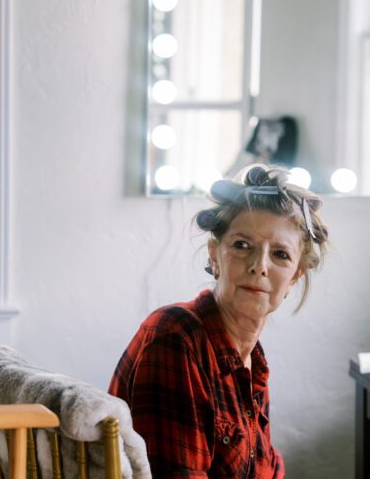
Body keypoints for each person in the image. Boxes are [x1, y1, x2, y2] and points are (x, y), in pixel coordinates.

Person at [109, 165, 330, 478]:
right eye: (242, 245)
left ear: (295, 276)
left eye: (280, 255)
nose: (259, 266)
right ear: (215, 256)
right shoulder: (176, 337)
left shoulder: (253, 359)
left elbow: (265, 468)